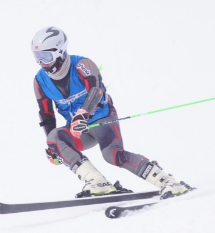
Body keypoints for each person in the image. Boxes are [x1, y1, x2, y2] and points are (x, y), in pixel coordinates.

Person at [31, 26, 193, 199]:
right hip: (79, 129)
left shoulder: (82, 65)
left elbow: (96, 90)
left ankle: (167, 181)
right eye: (37, 57)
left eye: (46, 56)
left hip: (102, 118)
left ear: (60, 52)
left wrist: (83, 114)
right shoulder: (40, 81)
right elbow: (46, 115)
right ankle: (97, 182)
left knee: (112, 155)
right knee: (53, 138)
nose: (41, 62)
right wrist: (54, 149)